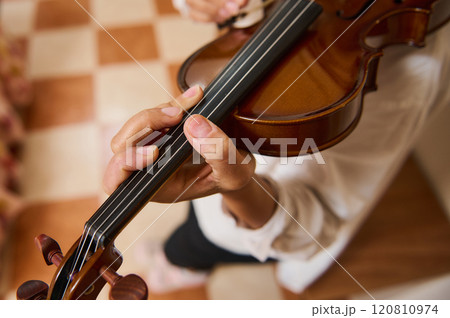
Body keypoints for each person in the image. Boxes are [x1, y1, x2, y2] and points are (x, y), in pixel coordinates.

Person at [103, 0, 450, 294]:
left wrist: (239, 191)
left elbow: (314, 223)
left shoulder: (404, 84)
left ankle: (185, 263)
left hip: (262, 213)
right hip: (234, 159)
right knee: (192, 209)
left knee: (197, 242)